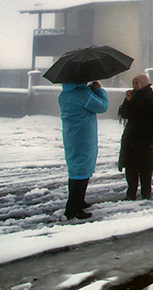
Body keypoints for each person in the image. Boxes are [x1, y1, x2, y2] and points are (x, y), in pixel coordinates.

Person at [59, 79, 109, 220]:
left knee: (76, 170)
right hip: (83, 137)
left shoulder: (65, 94)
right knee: (81, 172)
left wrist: (89, 90)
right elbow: (102, 106)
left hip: (71, 136)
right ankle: (73, 209)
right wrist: (98, 90)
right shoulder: (81, 94)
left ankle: (79, 201)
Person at [117, 73, 153, 200]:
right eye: (133, 83)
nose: (134, 85)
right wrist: (127, 101)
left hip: (146, 137)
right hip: (131, 137)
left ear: (143, 83)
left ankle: (146, 193)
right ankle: (131, 193)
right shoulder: (131, 96)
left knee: (145, 168)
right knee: (130, 168)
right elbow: (124, 114)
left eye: (137, 83)